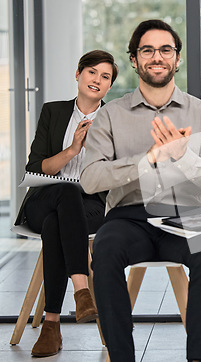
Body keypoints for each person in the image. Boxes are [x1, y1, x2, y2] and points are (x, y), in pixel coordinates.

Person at [80, 20, 201, 362]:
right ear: (134, 60)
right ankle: (121, 356)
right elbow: (90, 179)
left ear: (177, 59)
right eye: (147, 50)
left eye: (166, 49)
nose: (157, 57)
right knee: (104, 250)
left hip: (189, 214)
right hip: (127, 217)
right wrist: (148, 159)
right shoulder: (111, 116)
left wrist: (184, 156)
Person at [14, 50, 118, 357]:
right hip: (44, 197)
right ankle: (82, 290)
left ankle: (52, 326)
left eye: (105, 77)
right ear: (78, 74)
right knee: (64, 193)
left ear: (110, 86)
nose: (97, 80)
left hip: (91, 204)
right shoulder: (54, 112)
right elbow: (35, 168)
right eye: (92, 72)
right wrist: (72, 150)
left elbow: (117, 175)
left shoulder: (114, 119)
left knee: (56, 225)